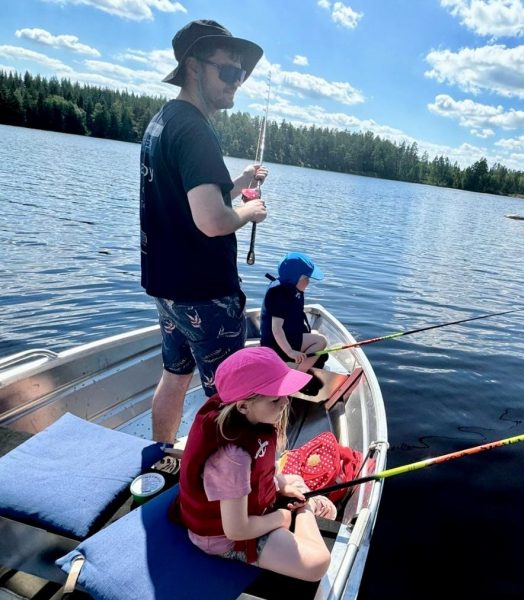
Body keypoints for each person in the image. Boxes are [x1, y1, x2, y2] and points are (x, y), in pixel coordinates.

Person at [140, 19, 269, 443]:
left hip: (167, 288)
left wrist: (238, 183)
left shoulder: (164, 121)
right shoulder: (196, 129)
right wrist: (248, 210)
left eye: (241, 73)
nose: (237, 82)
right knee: (230, 397)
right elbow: (213, 220)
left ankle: (160, 453)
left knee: (175, 375)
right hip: (205, 293)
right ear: (194, 67)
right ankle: (219, 482)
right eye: (228, 71)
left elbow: (192, 200)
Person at [172, 346, 337, 579]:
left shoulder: (246, 417)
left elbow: (262, 471)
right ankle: (306, 510)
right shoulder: (233, 459)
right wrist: (282, 517)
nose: (285, 402)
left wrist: (281, 485)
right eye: (275, 399)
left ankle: (300, 503)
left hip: (247, 505)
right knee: (317, 564)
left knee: (294, 480)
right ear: (243, 406)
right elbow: (236, 530)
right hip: (224, 537)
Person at [260, 252, 328, 374]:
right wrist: (290, 352)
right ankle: (298, 372)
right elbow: (276, 329)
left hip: (287, 337)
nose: (308, 281)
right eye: (306, 278)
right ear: (296, 278)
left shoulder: (289, 289)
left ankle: (297, 363)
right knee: (321, 341)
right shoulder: (281, 295)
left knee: (316, 335)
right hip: (276, 344)